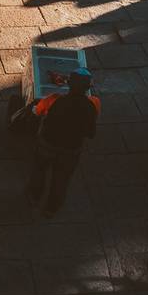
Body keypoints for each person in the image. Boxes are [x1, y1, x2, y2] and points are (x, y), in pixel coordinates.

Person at [26, 68, 100, 219]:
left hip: (48, 143)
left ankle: (34, 197)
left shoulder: (53, 99)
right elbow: (90, 131)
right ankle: (51, 209)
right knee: (61, 179)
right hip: (71, 150)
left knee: (39, 171)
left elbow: (36, 111)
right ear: (87, 88)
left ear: (69, 85)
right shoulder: (94, 104)